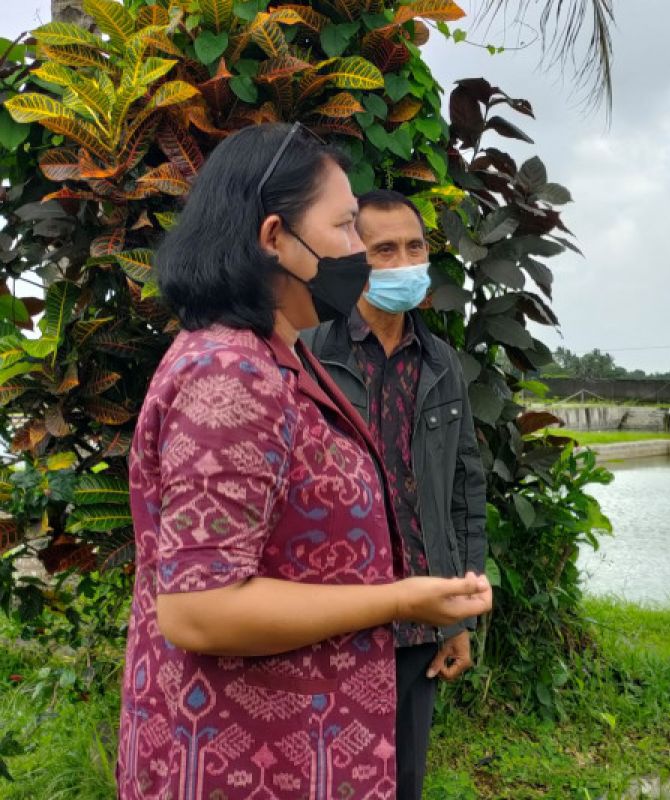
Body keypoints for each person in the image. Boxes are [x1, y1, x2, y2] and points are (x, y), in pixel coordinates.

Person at [117, 123, 491, 799]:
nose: (362, 253)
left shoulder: (282, 355)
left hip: (302, 744)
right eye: (347, 228)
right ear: (273, 239)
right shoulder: (229, 374)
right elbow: (199, 610)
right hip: (242, 760)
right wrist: (401, 599)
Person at [300, 189, 486, 799]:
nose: (405, 261)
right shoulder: (308, 353)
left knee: (402, 782)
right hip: (328, 620)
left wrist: (460, 611)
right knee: (318, 778)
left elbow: (464, 489)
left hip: (416, 624)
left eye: (415, 246)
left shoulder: (442, 364)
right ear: (353, 259)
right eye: (385, 250)